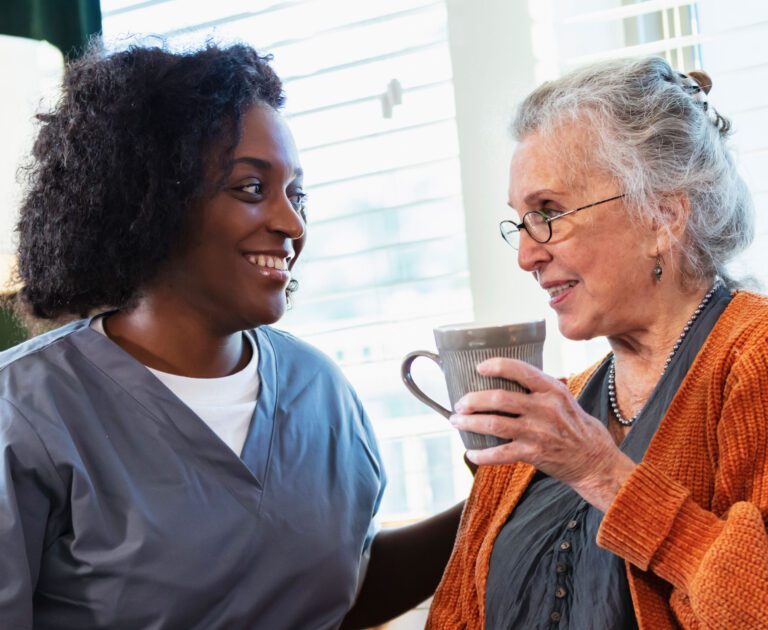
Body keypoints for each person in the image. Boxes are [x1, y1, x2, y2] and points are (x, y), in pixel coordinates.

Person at [0, 42, 460, 629]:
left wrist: (506, 489)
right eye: (250, 188)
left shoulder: (319, 390)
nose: (291, 224)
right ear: (149, 201)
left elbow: (342, 592)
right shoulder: (23, 412)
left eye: (296, 194)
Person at [427, 56, 768, 629]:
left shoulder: (753, 358)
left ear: (662, 216)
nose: (526, 255)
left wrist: (602, 474)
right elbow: (457, 614)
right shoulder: (558, 409)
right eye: (521, 221)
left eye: (550, 213)